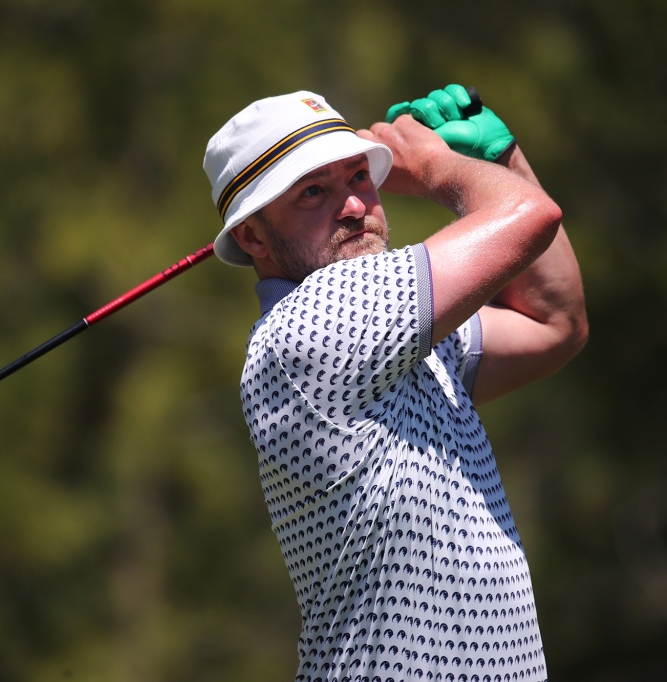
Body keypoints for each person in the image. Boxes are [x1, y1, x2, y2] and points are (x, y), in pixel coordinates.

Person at [203, 85, 587, 682]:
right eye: (314, 191)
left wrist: (501, 161)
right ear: (253, 238)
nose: (355, 206)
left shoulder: (393, 335)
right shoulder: (313, 324)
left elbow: (554, 321)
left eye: (360, 177)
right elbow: (529, 218)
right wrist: (438, 167)